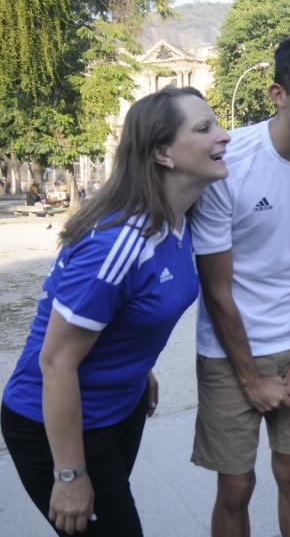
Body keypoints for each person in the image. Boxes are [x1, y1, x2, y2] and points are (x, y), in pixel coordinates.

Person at [1, 86, 230, 536]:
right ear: (163, 153)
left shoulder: (181, 220)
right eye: (205, 128)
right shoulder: (119, 243)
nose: (224, 137)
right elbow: (55, 361)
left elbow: (124, 314)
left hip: (121, 407)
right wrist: (68, 475)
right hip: (53, 425)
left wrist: (136, 367)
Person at [189, 34, 290, 537]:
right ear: (277, 94)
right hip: (227, 351)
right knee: (236, 486)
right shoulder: (228, 162)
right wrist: (250, 378)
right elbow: (216, 287)